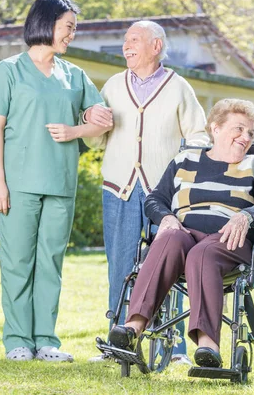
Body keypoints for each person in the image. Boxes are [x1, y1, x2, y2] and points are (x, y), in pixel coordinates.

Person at [0, 0, 111, 362]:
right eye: (68, 27)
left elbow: (103, 121)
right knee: (17, 262)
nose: (72, 34)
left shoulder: (75, 75)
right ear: (47, 23)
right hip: (18, 184)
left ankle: (46, 340)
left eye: (74, 29)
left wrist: (74, 132)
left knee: (50, 263)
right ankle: (17, 340)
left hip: (61, 183)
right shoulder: (8, 71)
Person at [106, 99, 254, 368]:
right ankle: (132, 328)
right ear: (215, 128)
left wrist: (246, 215)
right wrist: (167, 218)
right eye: (239, 129)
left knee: (203, 252)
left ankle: (208, 346)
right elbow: (155, 200)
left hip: (229, 241)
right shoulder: (184, 160)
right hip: (185, 232)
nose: (246, 137)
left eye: (251, 133)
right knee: (169, 239)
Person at [83, 20, 208, 363]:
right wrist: (91, 119)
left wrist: (182, 169)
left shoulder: (178, 86)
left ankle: (174, 347)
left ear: (156, 46)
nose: (126, 45)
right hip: (118, 187)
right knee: (120, 265)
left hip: (165, 195)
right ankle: (117, 344)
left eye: (134, 39)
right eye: (125, 40)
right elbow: (95, 139)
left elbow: (199, 137)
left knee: (170, 264)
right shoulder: (112, 84)